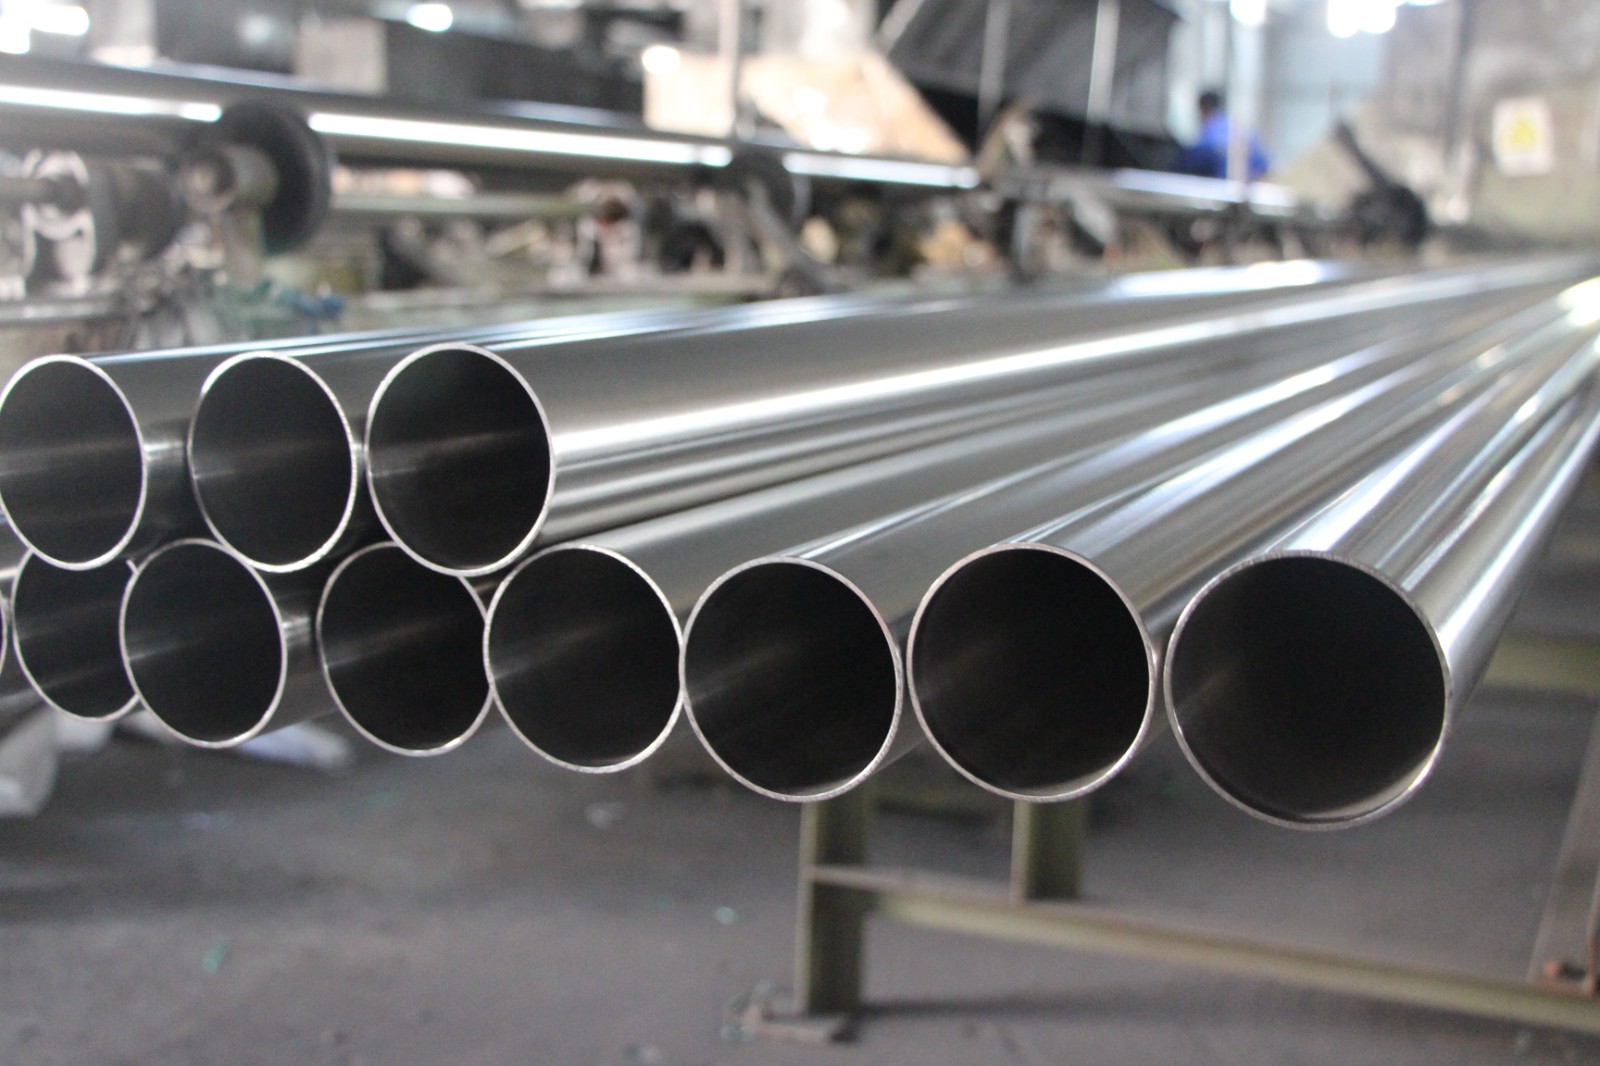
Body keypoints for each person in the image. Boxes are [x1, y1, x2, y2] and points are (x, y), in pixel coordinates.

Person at [1177, 90, 1270, 180]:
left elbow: (1200, 154)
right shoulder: (1236, 125)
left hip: (1226, 183)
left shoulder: (1212, 128)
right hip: (1249, 180)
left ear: (1203, 108)